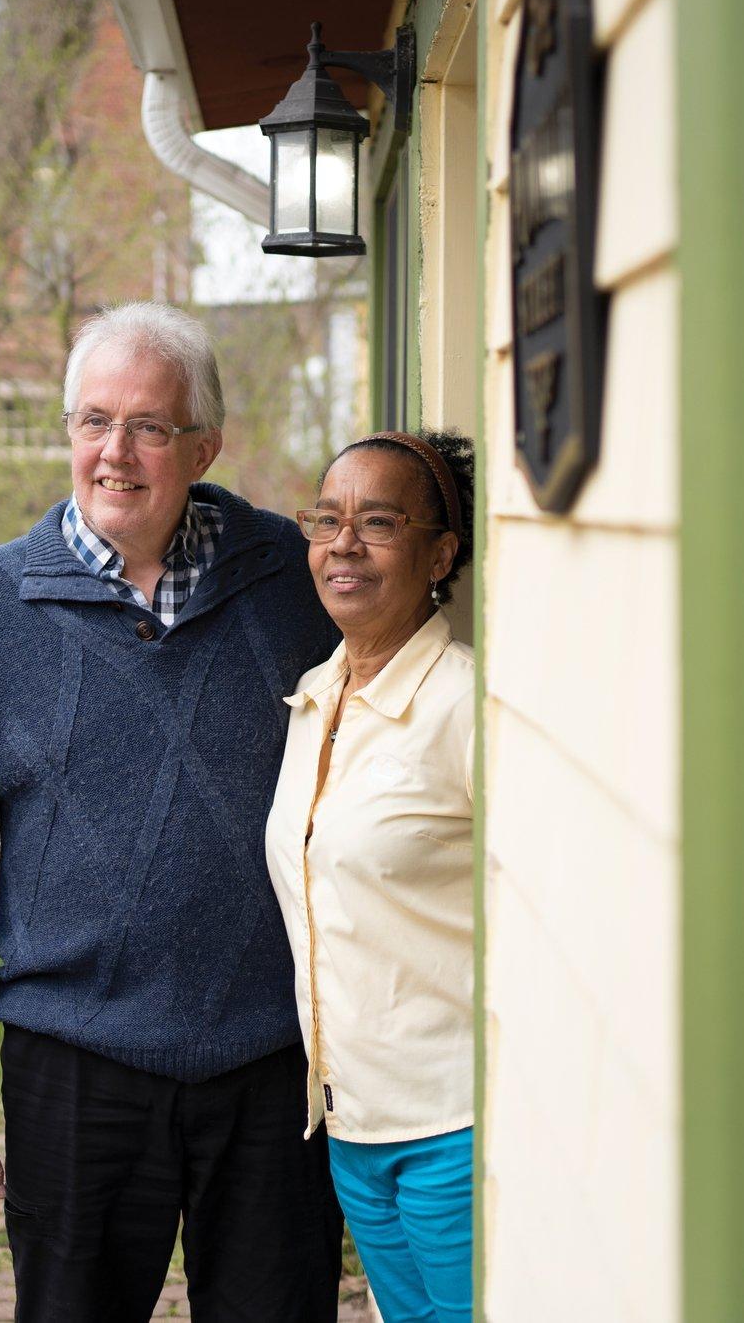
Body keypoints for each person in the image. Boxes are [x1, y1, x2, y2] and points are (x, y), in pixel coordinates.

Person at [0, 301, 345, 1322]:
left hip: (273, 1062)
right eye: (93, 422)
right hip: (75, 1069)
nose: (114, 453)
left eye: (147, 426)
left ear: (204, 445)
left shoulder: (294, 584)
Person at [265, 430, 478, 1323]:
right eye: (328, 519)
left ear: (439, 554)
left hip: (454, 1122)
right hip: (351, 1122)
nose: (342, 544)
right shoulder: (316, 695)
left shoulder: (467, 704)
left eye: (378, 522)